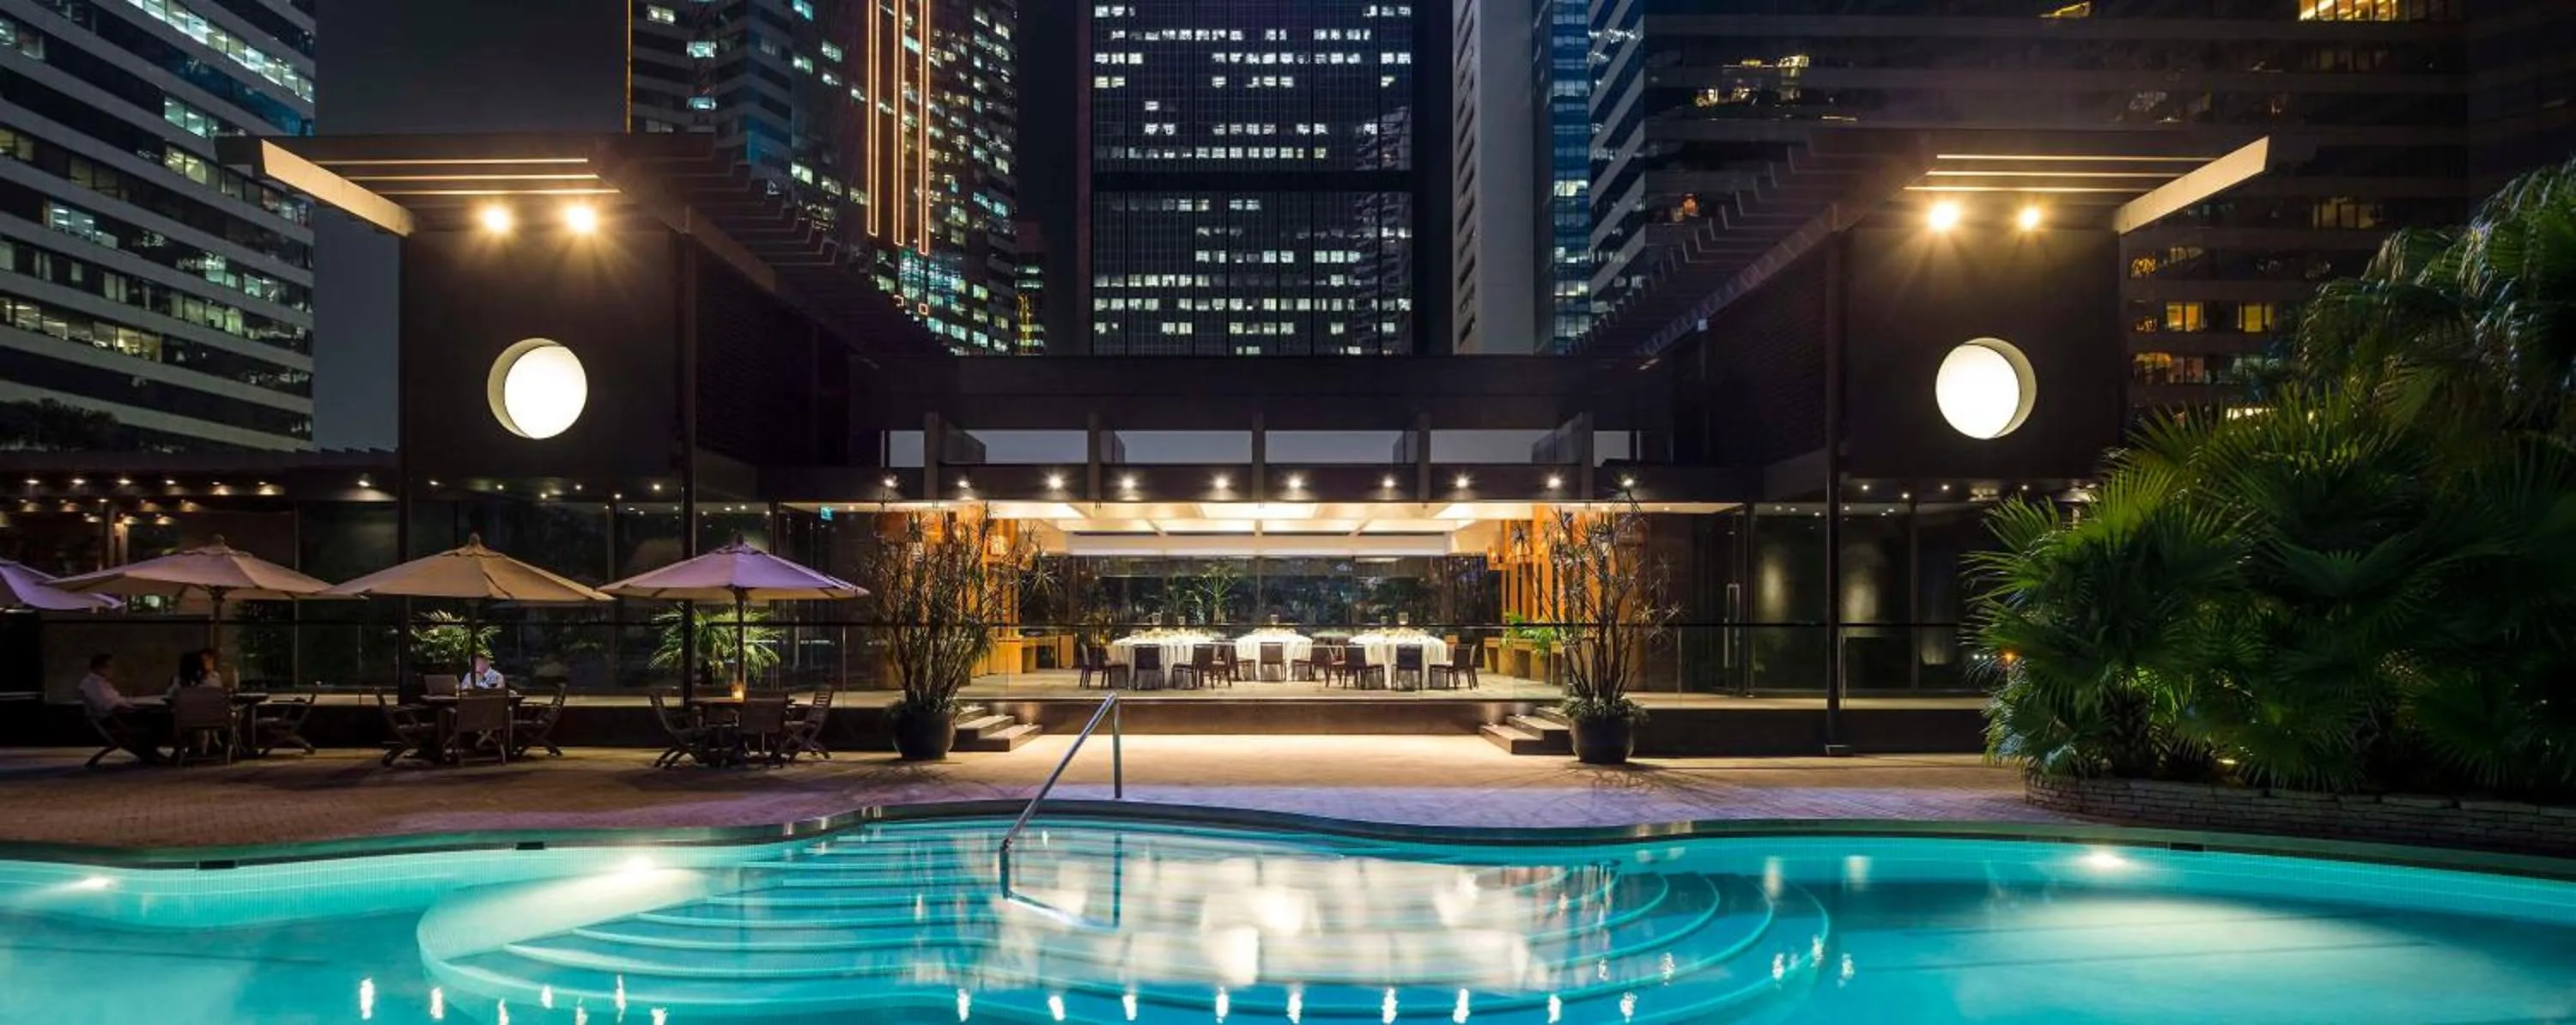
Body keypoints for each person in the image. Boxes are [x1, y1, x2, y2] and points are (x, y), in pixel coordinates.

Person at [80, 654, 166, 764]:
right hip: (113, 720)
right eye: (109, 667)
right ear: (98, 668)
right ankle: (151, 753)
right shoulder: (93, 685)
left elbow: (115, 701)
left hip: (118, 716)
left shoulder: (100, 683)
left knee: (157, 715)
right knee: (158, 720)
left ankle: (151, 753)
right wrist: (134, 709)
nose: (112, 671)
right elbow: (111, 705)